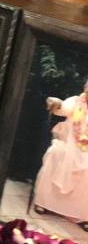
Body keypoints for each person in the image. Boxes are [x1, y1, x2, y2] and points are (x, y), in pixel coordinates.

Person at [33, 77, 88, 231]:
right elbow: (62, 108)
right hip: (68, 143)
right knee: (55, 152)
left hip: (86, 149)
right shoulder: (75, 102)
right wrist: (57, 103)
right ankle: (44, 203)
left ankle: (82, 214)